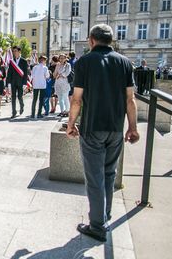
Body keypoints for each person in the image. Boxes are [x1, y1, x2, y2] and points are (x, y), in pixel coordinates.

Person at [67, 24, 140, 242]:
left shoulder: (84, 62)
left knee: (95, 177)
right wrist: (133, 127)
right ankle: (105, 216)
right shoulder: (125, 63)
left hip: (92, 128)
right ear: (111, 41)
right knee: (109, 174)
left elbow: (77, 98)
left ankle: (97, 226)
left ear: (91, 40)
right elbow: (130, 99)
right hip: (115, 128)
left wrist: (71, 123)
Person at [6, 46, 29, 118]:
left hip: (21, 82)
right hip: (13, 82)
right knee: (13, 97)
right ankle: (14, 112)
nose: (14, 52)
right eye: (13, 51)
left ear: (19, 52)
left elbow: (25, 73)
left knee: (19, 97)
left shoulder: (24, 61)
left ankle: (22, 106)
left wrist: (25, 83)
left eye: (16, 51)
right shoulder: (11, 61)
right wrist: (8, 83)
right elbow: (9, 73)